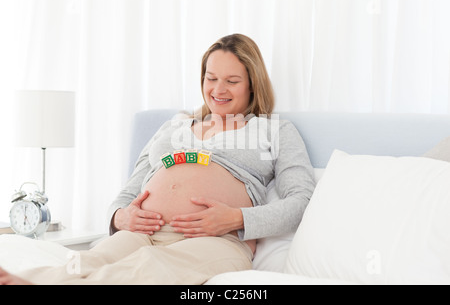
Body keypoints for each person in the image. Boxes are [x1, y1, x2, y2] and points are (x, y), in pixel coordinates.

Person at [0, 33, 315, 285]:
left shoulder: (273, 130)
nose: (218, 89)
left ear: (252, 83)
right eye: (211, 78)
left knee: (149, 268)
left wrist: (237, 219)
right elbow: (128, 192)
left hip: (215, 240)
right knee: (88, 260)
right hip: (142, 234)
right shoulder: (173, 126)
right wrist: (118, 218)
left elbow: (301, 200)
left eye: (232, 81)